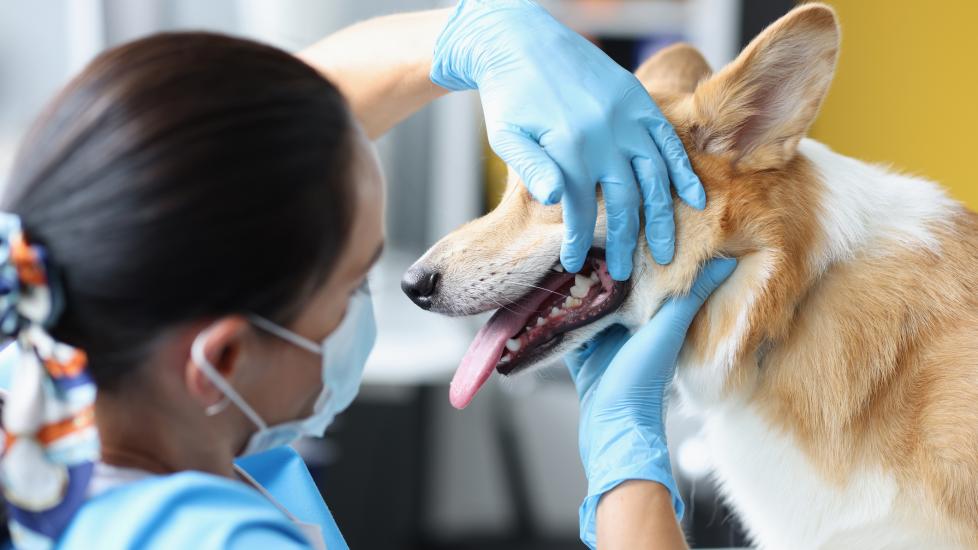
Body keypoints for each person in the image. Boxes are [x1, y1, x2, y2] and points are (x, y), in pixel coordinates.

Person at [0, 2, 735, 549]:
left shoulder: (41, 343)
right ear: (220, 360)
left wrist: (480, 36)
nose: (376, 299)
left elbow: (236, 148)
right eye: (354, 285)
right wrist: (627, 465)